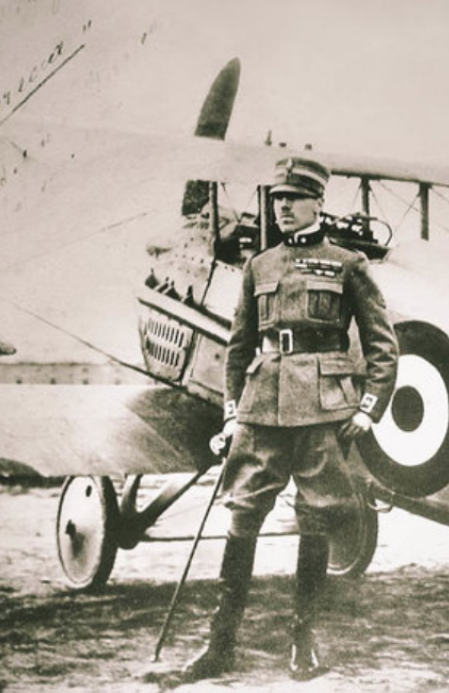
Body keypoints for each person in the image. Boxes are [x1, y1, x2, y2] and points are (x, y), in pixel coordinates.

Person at [182, 157, 399, 682]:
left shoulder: (347, 264)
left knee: (318, 515)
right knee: (241, 515)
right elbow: (237, 348)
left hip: (323, 410)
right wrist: (233, 412)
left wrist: (370, 408)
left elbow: (383, 346)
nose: (282, 207)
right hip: (261, 407)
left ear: (317, 202)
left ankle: (304, 643)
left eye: (293, 198)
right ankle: (220, 644)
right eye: (278, 198)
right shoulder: (260, 265)